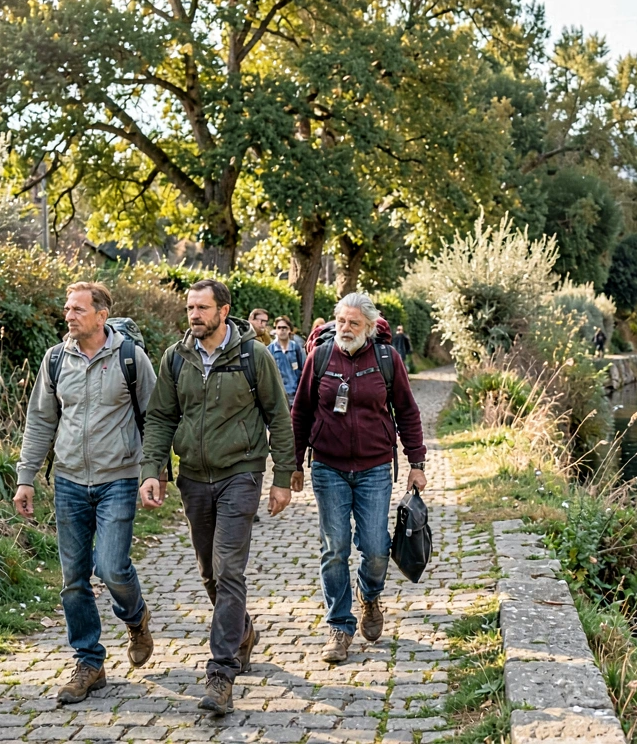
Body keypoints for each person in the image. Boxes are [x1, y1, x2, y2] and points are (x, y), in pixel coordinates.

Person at [138, 279, 296, 715]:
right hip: (193, 477)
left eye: (202, 308)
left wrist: (282, 476)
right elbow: (161, 418)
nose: (194, 315)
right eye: (190, 307)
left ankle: (220, 673)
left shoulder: (253, 356)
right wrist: (153, 470)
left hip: (240, 473)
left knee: (228, 569)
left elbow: (278, 418)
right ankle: (242, 631)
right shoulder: (176, 357)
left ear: (224, 311)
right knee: (209, 571)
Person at [13, 281, 155, 705]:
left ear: (101, 315)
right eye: (67, 308)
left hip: (119, 478)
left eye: (77, 309)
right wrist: (26, 476)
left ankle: (136, 617)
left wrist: (154, 472)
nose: (69, 315)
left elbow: (154, 417)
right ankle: (89, 662)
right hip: (70, 482)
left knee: (112, 568)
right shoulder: (56, 360)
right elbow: (40, 421)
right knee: (73, 579)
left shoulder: (131, 358)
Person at [290, 293, 427, 664]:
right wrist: (293, 464)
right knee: (334, 548)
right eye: (340, 321)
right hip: (328, 467)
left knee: (376, 547)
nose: (344, 329)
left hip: (375, 467)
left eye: (353, 323)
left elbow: (408, 412)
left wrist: (417, 462)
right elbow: (300, 412)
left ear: (368, 327)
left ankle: (370, 595)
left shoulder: (387, 359)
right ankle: (339, 625)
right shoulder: (319, 358)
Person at [269, 315, 307, 406]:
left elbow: (303, 371)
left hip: (294, 395)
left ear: (290, 330)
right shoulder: (270, 349)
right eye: (279, 327)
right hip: (277, 397)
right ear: (275, 330)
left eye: (285, 328)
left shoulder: (296, 348)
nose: (282, 330)